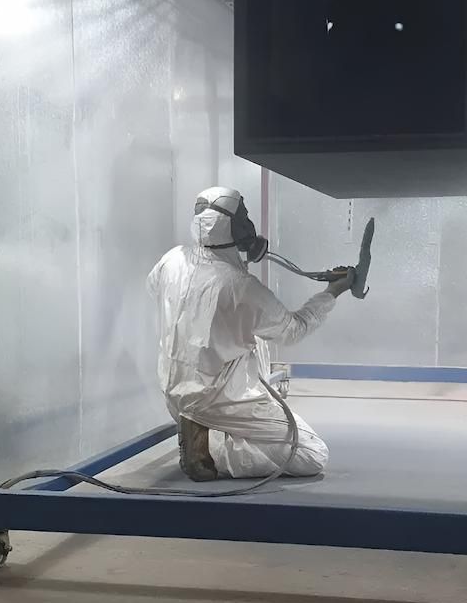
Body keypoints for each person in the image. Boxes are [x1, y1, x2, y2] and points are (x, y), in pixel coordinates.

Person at [147, 186, 355, 482]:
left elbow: (154, 288)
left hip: (173, 392)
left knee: (249, 330)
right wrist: (333, 291)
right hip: (215, 398)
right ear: (237, 227)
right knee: (312, 454)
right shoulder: (241, 288)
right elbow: (293, 330)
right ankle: (210, 454)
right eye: (243, 215)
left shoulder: (172, 259)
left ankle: (199, 430)